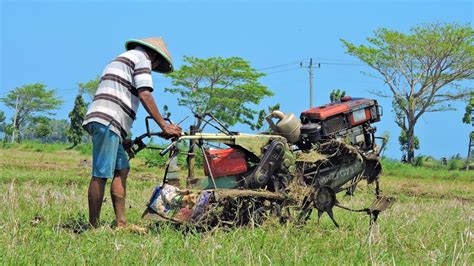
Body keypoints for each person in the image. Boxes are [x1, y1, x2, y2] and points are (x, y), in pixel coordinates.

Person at [82, 37, 182, 228]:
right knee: (101, 173)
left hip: (109, 121)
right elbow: (144, 93)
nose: (153, 68)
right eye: (157, 64)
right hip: (108, 120)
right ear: (154, 55)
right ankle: (92, 227)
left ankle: (121, 223)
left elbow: (120, 96)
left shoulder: (121, 59)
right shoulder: (142, 59)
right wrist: (164, 125)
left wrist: (123, 137)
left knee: (122, 168)